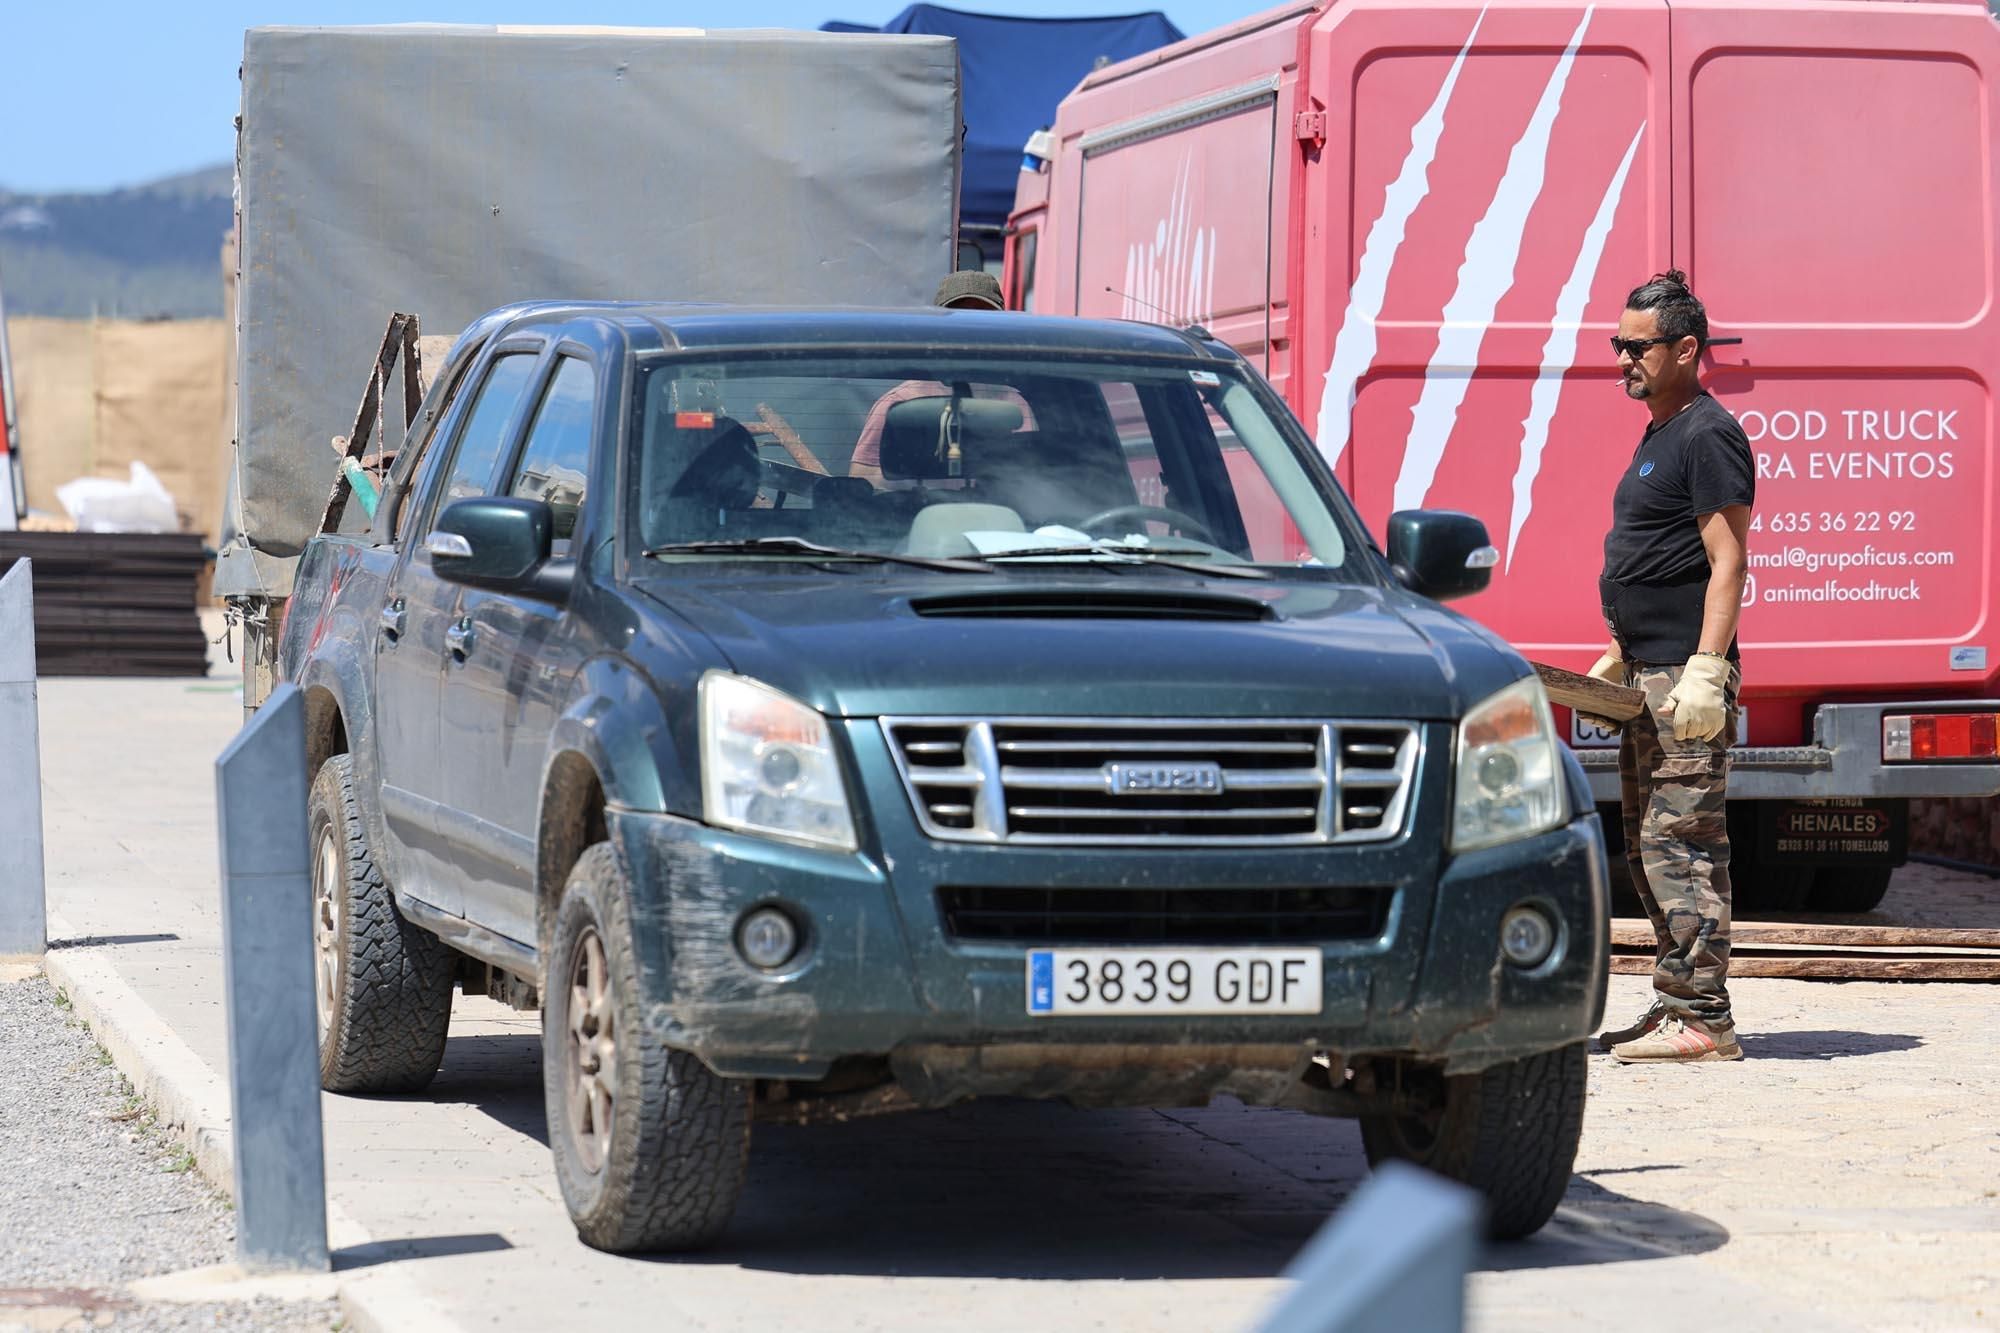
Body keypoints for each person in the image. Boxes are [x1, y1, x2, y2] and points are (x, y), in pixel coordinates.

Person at [1588, 270, 1755, 1063]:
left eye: (1637, 345)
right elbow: (1661, 557)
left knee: (1681, 841)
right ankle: (1674, 1000)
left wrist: (1705, 671)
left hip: (1683, 678)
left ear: (1686, 349)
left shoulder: (1708, 433)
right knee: (1645, 843)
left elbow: (1726, 564)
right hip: (1646, 671)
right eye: (1617, 343)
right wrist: (1623, 648)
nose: (1622, 356)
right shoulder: (1661, 431)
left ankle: (1706, 1017)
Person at [847, 271, 1030, 483]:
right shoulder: (899, 403)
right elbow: (864, 484)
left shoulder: (1015, 405)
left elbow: (1029, 483)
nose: (968, 327)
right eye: (957, 316)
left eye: (981, 317)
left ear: (999, 328)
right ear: (936, 327)